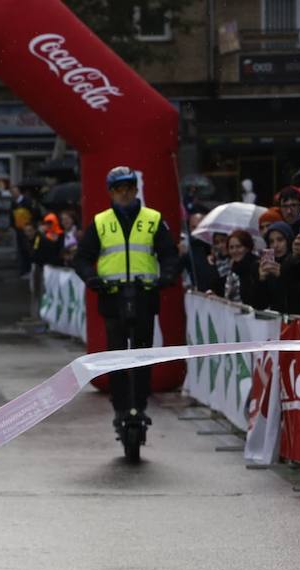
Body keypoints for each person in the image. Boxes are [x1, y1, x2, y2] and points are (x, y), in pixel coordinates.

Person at [73, 165, 180, 434]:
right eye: (119, 189)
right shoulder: (101, 222)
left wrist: (166, 275)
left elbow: (169, 254)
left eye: (129, 187)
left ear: (135, 189)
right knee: (116, 356)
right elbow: (82, 258)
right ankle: (120, 406)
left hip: (144, 294)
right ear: (111, 192)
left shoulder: (153, 219)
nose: (125, 193)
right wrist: (91, 279)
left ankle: (140, 405)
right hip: (112, 296)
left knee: (143, 355)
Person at [257, 222, 300, 312]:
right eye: (271, 241)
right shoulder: (267, 266)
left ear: (289, 240)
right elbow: (259, 305)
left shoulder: (298, 263)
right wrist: (261, 280)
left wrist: (282, 276)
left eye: (280, 240)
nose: (275, 245)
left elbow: (299, 300)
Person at [222, 229, 260, 305]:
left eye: (238, 246)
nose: (234, 251)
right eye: (231, 247)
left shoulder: (257, 266)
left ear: (247, 247)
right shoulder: (233, 268)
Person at [11, 184, 39, 278]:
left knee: (28, 249)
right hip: (19, 229)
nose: (14, 193)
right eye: (12, 192)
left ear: (19, 191)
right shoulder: (13, 203)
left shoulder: (27, 201)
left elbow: (34, 213)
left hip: (28, 229)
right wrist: (13, 226)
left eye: (15, 191)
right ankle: (23, 270)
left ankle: (29, 269)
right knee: (21, 250)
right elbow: (11, 215)